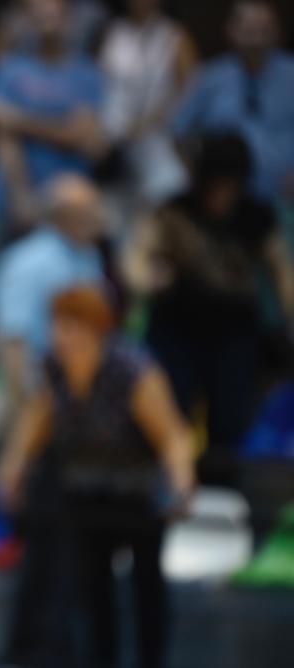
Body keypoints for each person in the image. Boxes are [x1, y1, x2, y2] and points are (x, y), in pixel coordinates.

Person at [0, 285, 193, 668]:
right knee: (94, 594)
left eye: (70, 327)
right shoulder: (55, 367)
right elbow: (35, 422)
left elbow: (173, 436)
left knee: (146, 591)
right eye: (57, 326)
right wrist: (11, 470)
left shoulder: (131, 370)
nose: (60, 336)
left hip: (138, 497)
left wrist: (182, 484)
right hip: (86, 495)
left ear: (96, 329)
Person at [122, 132, 294, 484]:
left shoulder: (256, 215)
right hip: (176, 328)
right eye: (215, 184)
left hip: (233, 331)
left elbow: (282, 271)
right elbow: (137, 256)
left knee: (231, 421)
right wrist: (145, 278)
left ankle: (226, 493)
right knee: (169, 411)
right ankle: (166, 488)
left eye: (230, 185)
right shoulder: (174, 209)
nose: (222, 194)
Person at [0, 0, 106, 266]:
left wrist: (18, 120)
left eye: (55, 16)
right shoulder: (9, 70)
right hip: (11, 200)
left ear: (69, 21)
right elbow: (1, 138)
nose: (47, 24)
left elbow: (83, 138)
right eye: (39, 17)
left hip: (69, 204)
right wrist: (20, 194)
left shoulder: (86, 73)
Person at [0, 173, 106, 415]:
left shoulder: (88, 254)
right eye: (89, 211)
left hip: (81, 381)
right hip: (42, 388)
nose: (98, 218)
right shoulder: (28, 262)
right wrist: (26, 406)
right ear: (64, 216)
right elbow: (12, 338)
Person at [173, 0, 294, 202]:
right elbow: (178, 132)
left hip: (284, 196)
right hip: (225, 201)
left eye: (264, 31)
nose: (257, 40)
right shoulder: (209, 78)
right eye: (249, 31)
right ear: (231, 31)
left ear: (277, 32)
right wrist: (197, 176)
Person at [99, 0, 197, 212]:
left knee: (169, 198)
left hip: (159, 140)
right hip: (115, 140)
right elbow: (98, 87)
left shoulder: (175, 36)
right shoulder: (112, 33)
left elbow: (190, 95)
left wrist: (152, 122)